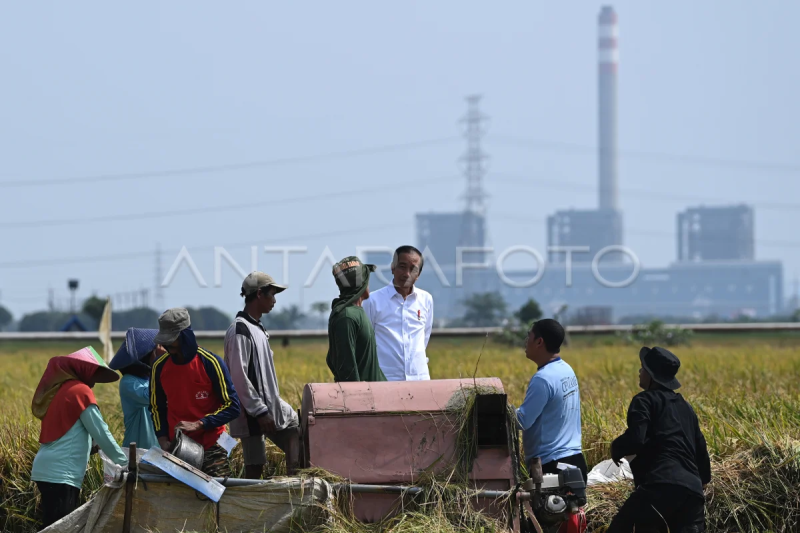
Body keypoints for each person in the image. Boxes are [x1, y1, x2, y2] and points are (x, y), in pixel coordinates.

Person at [606, 346, 711, 533]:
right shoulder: (686, 408)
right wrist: (702, 479)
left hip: (661, 485)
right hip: (693, 492)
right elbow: (700, 447)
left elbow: (637, 438)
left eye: (643, 368)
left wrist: (616, 447)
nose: (640, 372)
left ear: (652, 376)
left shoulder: (644, 400)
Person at [30, 347, 128, 528]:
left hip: (46, 469)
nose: (95, 382)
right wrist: (125, 462)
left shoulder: (62, 391)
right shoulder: (80, 391)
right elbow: (101, 432)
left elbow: (70, 433)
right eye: (94, 374)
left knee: (51, 526)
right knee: (62, 529)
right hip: (61, 474)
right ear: (84, 371)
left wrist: (91, 447)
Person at [225, 271, 301, 479]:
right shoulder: (240, 330)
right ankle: (250, 504)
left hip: (268, 407)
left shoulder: (256, 328)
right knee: (255, 465)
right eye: (272, 294)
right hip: (253, 412)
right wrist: (259, 411)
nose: (274, 300)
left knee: (297, 431)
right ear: (259, 294)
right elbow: (238, 376)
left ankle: (293, 483)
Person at [150, 308, 241, 477]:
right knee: (182, 499)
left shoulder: (210, 363)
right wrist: (162, 438)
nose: (168, 346)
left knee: (217, 493)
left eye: (172, 340)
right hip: (178, 447)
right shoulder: (159, 366)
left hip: (213, 444)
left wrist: (200, 424)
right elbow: (156, 407)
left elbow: (233, 406)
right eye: (165, 341)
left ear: (185, 335)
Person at [516, 319, 587, 482]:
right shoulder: (566, 369)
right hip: (575, 461)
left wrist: (499, 411)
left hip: (552, 467)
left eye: (529, 336)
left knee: (549, 508)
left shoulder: (543, 378)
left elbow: (522, 420)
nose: (526, 342)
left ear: (539, 342)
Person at [363, 245, 433, 381]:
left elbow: (425, 337)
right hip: (386, 379)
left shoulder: (426, 299)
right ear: (392, 267)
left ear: (418, 275)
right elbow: (365, 342)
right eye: (402, 266)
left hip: (419, 378)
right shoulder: (373, 300)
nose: (407, 273)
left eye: (413, 269)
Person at [326, 256, 387, 382]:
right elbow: (347, 372)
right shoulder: (347, 317)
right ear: (362, 283)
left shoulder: (354, 312)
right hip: (365, 398)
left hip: (377, 393)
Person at [109, 327, 164, 450]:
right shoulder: (128, 382)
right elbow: (150, 396)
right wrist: (159, 364)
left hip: (158, 451)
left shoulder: (150, 379)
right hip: (138, 452)